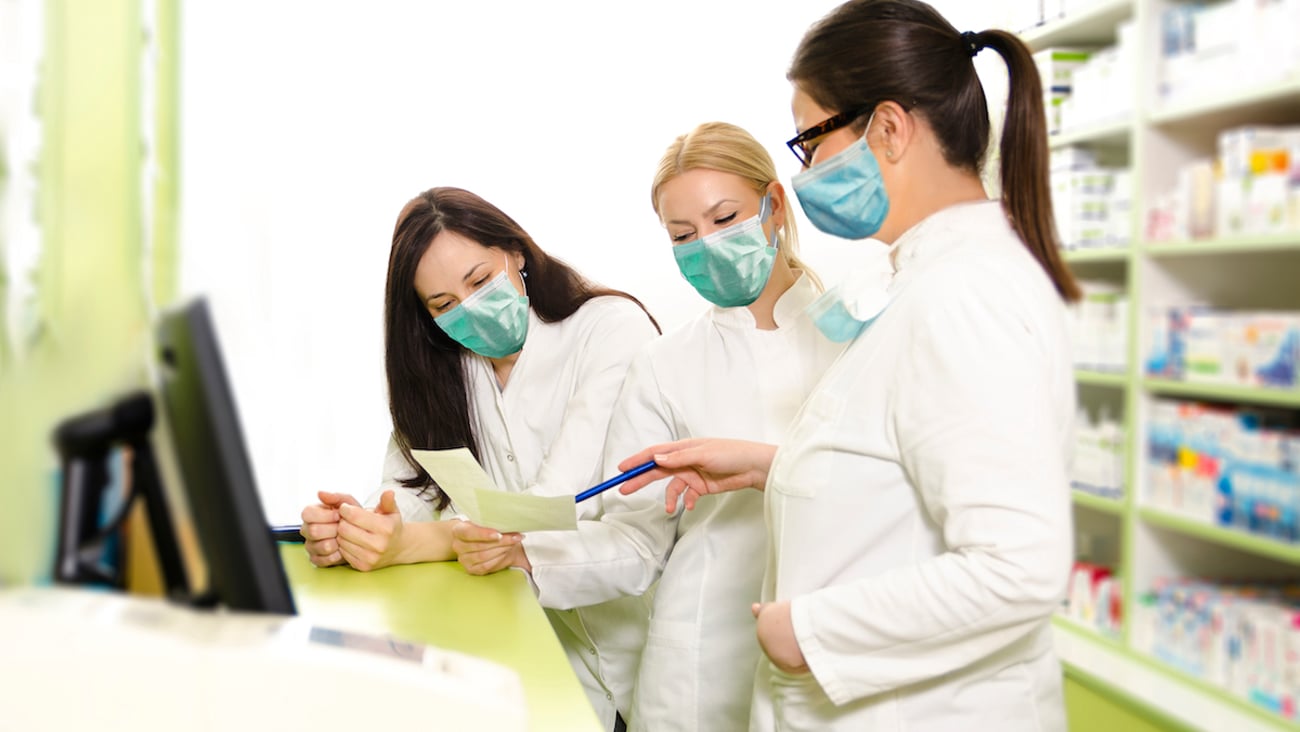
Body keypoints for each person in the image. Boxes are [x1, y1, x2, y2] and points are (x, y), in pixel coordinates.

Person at [614, 1, 1081, 730]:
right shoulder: (923, 284)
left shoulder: (961, 295)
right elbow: (899, 478)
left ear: (889, 129)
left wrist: (803, 632)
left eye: (810, 143)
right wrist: (770, 465)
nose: (807, 174)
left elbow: (1020, 566)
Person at [450, 122, 847, 731]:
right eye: (684, 234)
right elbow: (637, 544)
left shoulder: (855, 338)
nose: (707, 244)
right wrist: (525, 555)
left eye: (725, 218)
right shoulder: (665, 364)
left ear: (775, 204)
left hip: (833, 652)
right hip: (697, 668)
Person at [297, 186, 660, 731]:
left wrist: (422, 542)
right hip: (531, 658)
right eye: (443, 305)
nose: (469, 309)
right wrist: (364, 526)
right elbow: (415, 491)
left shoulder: (608, 328)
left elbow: (556, 505)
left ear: (515, 253)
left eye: (479, 280)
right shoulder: (441, 369)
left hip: (642, 647)